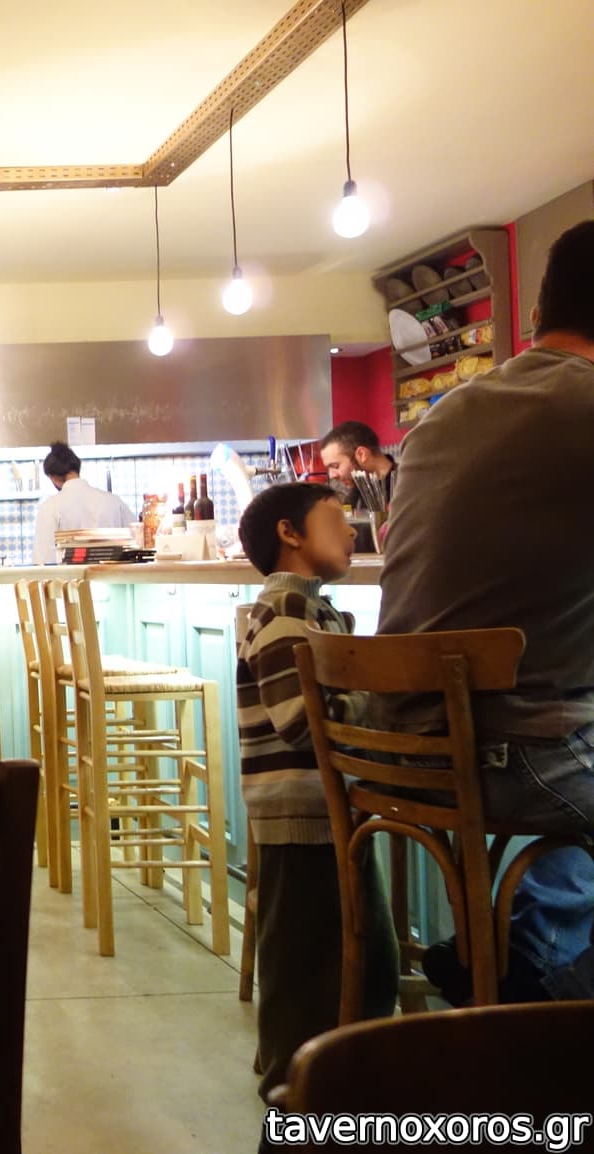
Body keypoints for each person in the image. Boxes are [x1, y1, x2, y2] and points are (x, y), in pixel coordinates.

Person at [378, 219, 594, 1002]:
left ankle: (516, 958)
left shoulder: (445, 412)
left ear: (534, 313)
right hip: (502, 755)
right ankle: (530, 976)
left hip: (393, 745)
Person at [235, 483, 397, 1106]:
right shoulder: (283, 611)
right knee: (301, 973)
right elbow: (303, 720)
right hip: (299, 817)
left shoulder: (314, 610)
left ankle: (342, 1088)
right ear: (290, 533)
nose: (354, 530)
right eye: (337, 518)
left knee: (365, 958)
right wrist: (379, 698)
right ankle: (291, 1101)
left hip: (331, 811)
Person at [32, 441, 134, 564]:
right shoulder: (114, 501)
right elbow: (137, 541)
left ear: (53, 477)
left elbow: (44, 560)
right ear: (77, 468)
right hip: (112, 574)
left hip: (70, 576)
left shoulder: (50, 507)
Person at [318, 421, 395, 553]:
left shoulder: (405, 485)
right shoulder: (355, 494)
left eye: (335, 466)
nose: (331, 475)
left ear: (362, 455)